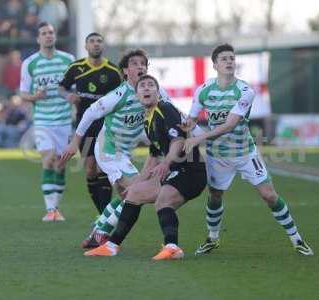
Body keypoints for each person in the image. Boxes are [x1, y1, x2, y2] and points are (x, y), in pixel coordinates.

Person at [182, 44, 314, 256]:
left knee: (269, 195)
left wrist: (200, 138)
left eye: (232, 58)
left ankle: (297, 239)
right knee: (215, 195)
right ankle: (212, 238)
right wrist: (185, 129)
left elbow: (231, 124)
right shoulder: (203, 90)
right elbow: (191, 120)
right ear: (215, 65)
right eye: (224, 59)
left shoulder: (245, 91)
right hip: (218, 156)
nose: (229, 61)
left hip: (245, 153)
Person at [83, 75, 207, 260]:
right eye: (142, 86)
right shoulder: (148, 120)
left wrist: (166, 163)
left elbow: (179, 141)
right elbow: (154, 155)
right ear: (137, 94)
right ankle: (111, 246)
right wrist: (138, 182)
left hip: (191, 172)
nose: (147, 88)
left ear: (158, 93)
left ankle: (172, 248)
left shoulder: (165, 109)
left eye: (151, 86)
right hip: (176, 171)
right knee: (134, 194)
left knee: (163, 201)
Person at [61, 49, 169, 245]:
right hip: (108, 150)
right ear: (126, 71)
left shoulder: (154, 91)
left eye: (143, 63)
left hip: (124, 152)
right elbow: (90, 113)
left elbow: (174, 114)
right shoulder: (119, 94)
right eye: (135, 64)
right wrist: (75, 143)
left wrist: (192, 133)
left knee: (127, 195)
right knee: (143, 190)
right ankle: (100, 232)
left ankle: (98, 231)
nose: (140, 67)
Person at [58, 32, 122, 213]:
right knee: (90, 169)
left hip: (106, 125)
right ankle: (102, 215)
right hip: (84, 125)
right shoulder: (76, 68)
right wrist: (68, 95)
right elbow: (60, 89)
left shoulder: (113, 71)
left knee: (102, 168)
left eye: (99, 41)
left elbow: (122, 95)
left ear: (103, 46)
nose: (96, 44)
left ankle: (104, 217)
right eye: (92, 41)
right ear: (86, 46)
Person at [20, 22, 75, 222]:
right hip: (43, 119)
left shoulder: (68, 60)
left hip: (63, 120)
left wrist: (71, 98)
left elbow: (74, 88)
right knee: (49, 157)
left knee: (60, 164)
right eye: (44, 33)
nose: (48, 36)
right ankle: (50, 209)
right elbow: (23, 93)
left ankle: (56, 208)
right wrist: (36, 97)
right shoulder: (30, 63)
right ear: (38, 38)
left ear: (55, 36)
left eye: (51, 32)